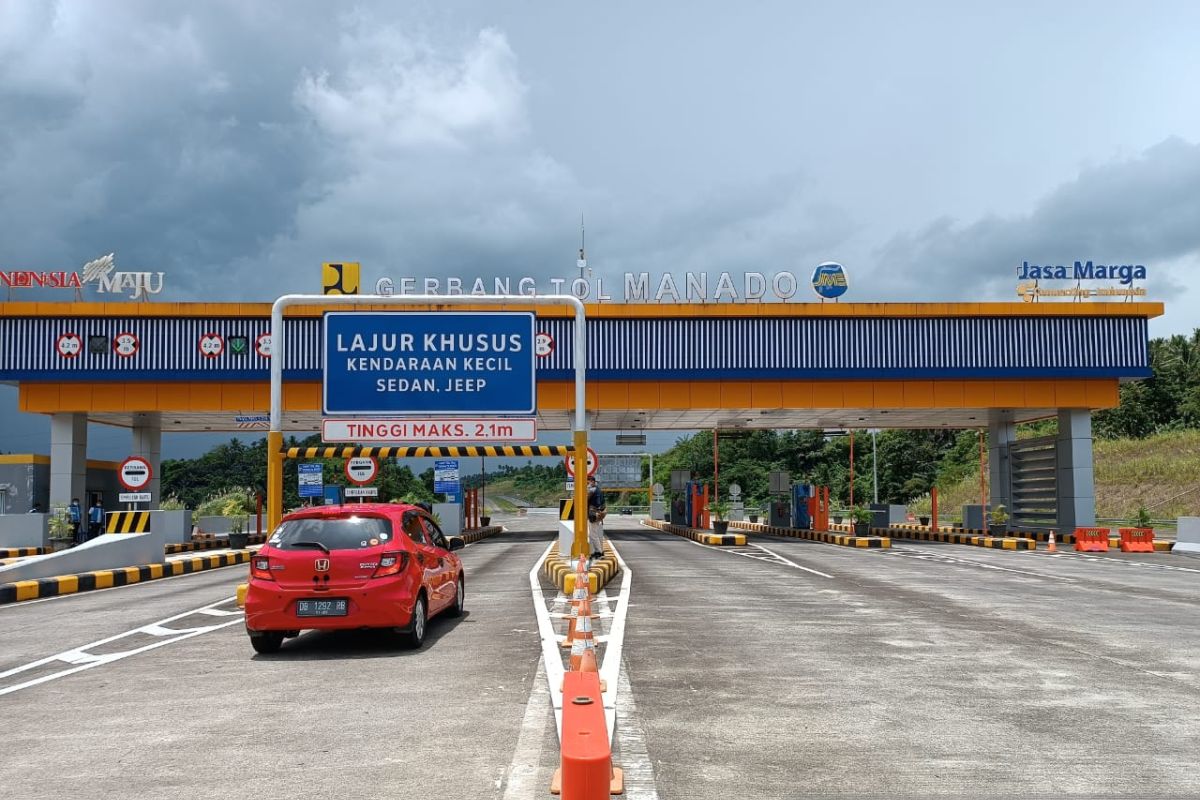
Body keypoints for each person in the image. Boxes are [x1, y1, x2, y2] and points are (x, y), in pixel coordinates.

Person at [586, 476, 607, 560]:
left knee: (593, 534)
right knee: (593, 533)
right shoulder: (598, 489)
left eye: (588, 483)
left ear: (592, 481)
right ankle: (597, 551)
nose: (587, 485)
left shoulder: (592, 490)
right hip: (599, 514)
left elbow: (584, 499)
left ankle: (599, 552)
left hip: (594, 514)